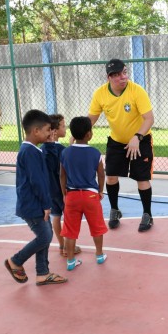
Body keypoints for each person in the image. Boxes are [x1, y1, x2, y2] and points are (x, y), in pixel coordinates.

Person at [87, 58, 155, 232]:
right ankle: (115, 210)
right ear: (109, 77)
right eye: (117, 75)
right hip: (116, 141)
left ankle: (147, 214)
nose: (123, 77)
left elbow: (149, 119)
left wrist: (137, 137)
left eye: (124, 72)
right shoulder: (100, 93)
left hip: (141, 140)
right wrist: (78, 134)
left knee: (142, 178)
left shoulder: (137, 91)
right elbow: (92, 118)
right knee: (111, 176)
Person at [4, 109, 67, 286]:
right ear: (36, 131)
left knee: (45, 236)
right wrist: (46, 205)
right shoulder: (30, 152)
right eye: (48, 130)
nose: (50, 133)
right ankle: (15, 261)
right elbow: (37, 181)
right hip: (33, 205)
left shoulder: (32, 150)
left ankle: (42, 273)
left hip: (36, 203)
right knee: (44, 237)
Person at [60, 116, 108, 271]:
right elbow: (101, 174)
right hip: (90, 196)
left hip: (72, 195)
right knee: (96, 226)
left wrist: (64, 193)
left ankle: (71, 261)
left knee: (70, 229)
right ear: (89, 134)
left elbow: (62, 175)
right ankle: (99, 255)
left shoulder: (65, 152)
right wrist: (100, 190)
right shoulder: (95, 153)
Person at [41, 114, 82, 257]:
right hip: (64, 190)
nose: (66, 129)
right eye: (63, 126)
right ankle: (69, 247)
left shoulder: (43, 148)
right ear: (55, 131)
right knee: (69, 218)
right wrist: (72, 147)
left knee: (56, 216)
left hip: (50, 189)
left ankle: (62, 245)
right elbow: (65, 168)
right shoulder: (62, 150)